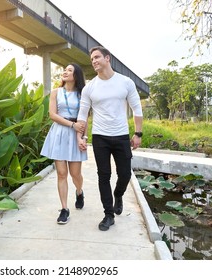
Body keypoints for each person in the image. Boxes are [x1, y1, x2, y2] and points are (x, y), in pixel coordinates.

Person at [76, 46, 143, 231]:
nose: (94, 61)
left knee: (125, 174)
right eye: (92, 59)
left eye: (97, 57)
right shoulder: (90, 87)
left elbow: (137, 108)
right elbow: (83, 114)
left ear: (107, 58)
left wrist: (138, 133)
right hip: (100, 138)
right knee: (103, 176)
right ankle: (108, 214)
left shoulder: (126, 82)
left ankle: (118, 194)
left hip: (121, 136)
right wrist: (81, 136)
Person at [41, 63, 87, 224]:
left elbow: (83, 119)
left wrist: (83, 137)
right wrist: (71, 125)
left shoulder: (82, 94)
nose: (65, 72)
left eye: (69, 70)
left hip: (76, 134)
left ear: (76, 76)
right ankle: (64, 209)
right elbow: (52, 115)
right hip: (59, 133)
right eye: (65, 70)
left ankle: (79, 191)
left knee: (75, 174)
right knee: (61, 173)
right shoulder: (56, 92)